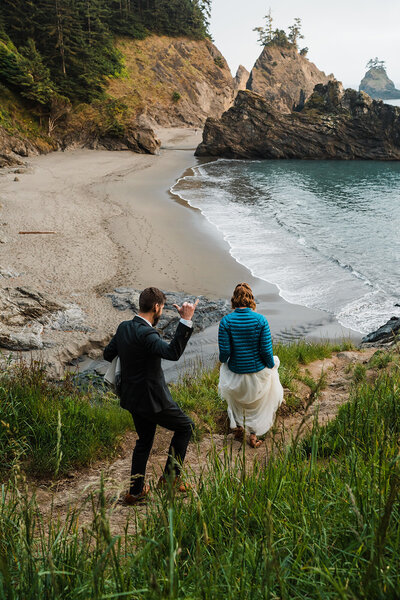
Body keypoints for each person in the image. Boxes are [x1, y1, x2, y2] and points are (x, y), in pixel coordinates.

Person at [104, 287, 199, 504]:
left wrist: (130, 352)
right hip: (153, 400)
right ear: (156, 307)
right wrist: (185, 321)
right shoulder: (148, 334)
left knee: (144, 441)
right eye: (162, 309)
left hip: (132, 398)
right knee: (186, 427)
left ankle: (135, 492)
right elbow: (172, 353)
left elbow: (108, 354)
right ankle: (170, 480)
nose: (161, 314)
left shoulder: (124, 328)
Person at [218, 283, 283, 447]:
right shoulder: (261, 320)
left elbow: (224, 354)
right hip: (256, 372)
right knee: (269, 377)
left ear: (234, 300)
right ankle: (253, 436)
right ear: (251, 299)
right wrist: (270, 366)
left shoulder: (226, 322)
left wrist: (232, 361)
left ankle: (238, 427)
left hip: (236, 371)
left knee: (234, 394)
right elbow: (267, 352)